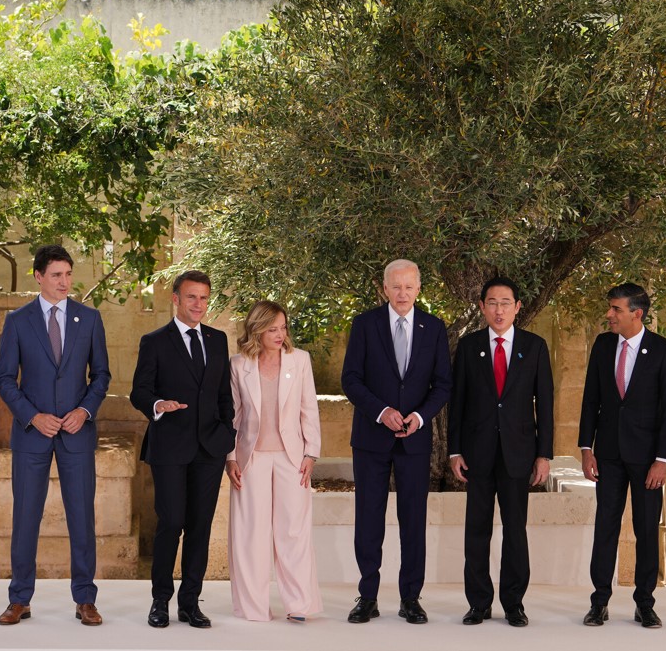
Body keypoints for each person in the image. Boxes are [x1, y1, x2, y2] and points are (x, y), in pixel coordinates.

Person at [0, 245, 111, 627]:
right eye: (56, 275)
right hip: (32, 435)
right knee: (26, 516)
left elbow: (102, 376)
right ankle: (19, 599)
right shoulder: (18, 320)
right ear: (39, 277)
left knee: (81, 518)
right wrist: (32, 416)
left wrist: (84, 411)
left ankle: (86, 599)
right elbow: (5, 379)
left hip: (78, 433)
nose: (64, 282)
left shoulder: (89, 319)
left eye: (68, 274)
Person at [340, 259, 451, 625]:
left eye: (409, 286)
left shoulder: (434, 328)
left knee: (413, 521)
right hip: (372, 438)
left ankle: (410, 599)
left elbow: (443, 385)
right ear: (384, 288)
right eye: (396, 286)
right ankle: (367, 596)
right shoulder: (365, 325)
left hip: (414, 440)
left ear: (419, 289)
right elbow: (351, 379)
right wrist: (382, 411)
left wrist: (419, 417)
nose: (402, 293)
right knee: (368, 518)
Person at [130, 270, 235, 629]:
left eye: (204, 298)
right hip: (169, 446)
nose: (199, 305)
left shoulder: (218, 340)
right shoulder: (155, 341)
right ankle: (160, 601)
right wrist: (159, 404)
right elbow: (139, 391)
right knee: (171, 521)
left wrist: (227, 436)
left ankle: (190, 603)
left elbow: (225, 396)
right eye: (192, 297)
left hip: (210, 448)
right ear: (175, 299)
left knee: (200, 526)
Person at [448, 276, 553, 627]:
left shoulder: (534, 346)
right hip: (477, 454)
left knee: (515, 530)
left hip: (519, 454)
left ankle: (513, 604)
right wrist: (454, 451)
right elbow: (457, 403)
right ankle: (478, 603)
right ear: (482, 307)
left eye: (505, 302)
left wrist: (544, 454)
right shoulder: (468, 346)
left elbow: (547, 406)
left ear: (518, 307)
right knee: (476, 530)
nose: (499, 309)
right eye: (491, 302)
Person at [577, 283, 666, 629]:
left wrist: (662, 460)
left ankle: (645, 603)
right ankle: (599, 601)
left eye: (616, 310)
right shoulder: (603, 345)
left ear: (637, 314)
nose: (609, 315)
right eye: (610, 308)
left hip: (648, 458)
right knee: (605, 526)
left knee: (646, 530)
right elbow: (591, 399)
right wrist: (586, 448)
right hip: (607, 456)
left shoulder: (664, 350)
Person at [226, 301, 323, 622]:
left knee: (293, 531)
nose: (280, 334)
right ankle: (253, 608)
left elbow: (309, 408)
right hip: (249, 458)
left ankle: (299, 605)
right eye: (272, 329)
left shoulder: (300, 360)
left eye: (283, 327)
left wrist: (311, 453)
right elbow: (234, 416)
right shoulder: (239, 364)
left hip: (291, 457)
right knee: (250, 533)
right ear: (257, 330)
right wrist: (230, 458)